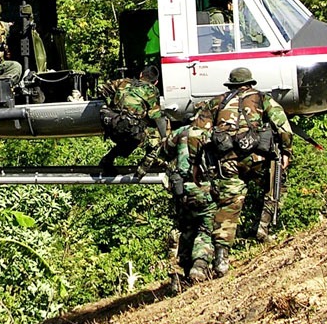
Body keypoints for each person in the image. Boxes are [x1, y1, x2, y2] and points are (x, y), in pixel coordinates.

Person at [185, 66, 292, 277]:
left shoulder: (217, 102)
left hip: (228, 161)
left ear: (231, 84)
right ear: (250, 83)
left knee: (229, 206)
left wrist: (195, 162)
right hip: (258, 159)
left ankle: (222, 259)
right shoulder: (263, 98)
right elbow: (282, 126)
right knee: (276, 183)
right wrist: (286, 152)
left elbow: (195, 134)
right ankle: (264, 226)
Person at [158, 118, 216, 290]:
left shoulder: (181, 131)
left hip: (182, 190)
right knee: (206, 229)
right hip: (204, 188)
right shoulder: (212, 133)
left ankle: (180, 275)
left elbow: (163, 151)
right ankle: (199, 266)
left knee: (186, 230)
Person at [97, 65, 165, 174]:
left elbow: (100, 88)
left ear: (141, 75)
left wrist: (109, 101)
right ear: (155, 82)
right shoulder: (152, 90)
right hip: (129, 130)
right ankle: (143, 168)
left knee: (129, 139)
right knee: (154, 139)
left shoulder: (123, 82)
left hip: (110, 125)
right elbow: (156, 116)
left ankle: (107, 160)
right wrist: (164, 136)